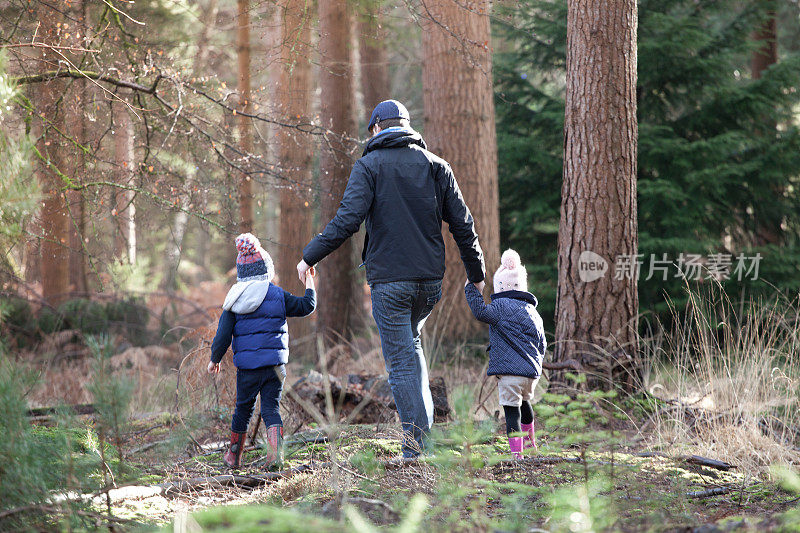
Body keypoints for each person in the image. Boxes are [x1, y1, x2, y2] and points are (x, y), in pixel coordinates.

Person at [296, 100, 486, 459]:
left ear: (377, 129)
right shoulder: (437, 166)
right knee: (412, 350)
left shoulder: (369, 166)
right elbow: (463, 224)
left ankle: (416, 451)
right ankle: (423, 441)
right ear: (407, 127)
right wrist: (476, 274)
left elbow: (348, 220)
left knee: (400, 364)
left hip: (390, 283)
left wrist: (309, 256)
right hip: (429, 282)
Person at [208, 233, 316, 469]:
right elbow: (307, 306)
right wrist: (309, 280)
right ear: (267, 269)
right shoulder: (277, 294)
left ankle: (234, 457)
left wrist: (215, 358)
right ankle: (275, 457)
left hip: (247, 369)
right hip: (275, 367)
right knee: (271, 408)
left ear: (241, 273)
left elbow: (223, 335)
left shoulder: (233, 300)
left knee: (243, 410)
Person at [464, 249, 546, 459]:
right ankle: (530, 445)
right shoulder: (533, 312)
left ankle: (516, 454)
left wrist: (471, 290)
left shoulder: (500, 306)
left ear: (500, 285)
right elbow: (542, 343)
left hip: (510, 373)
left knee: (511, 411)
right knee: (526, 403)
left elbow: (481, 312)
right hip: (531, 374)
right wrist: (536, 364)